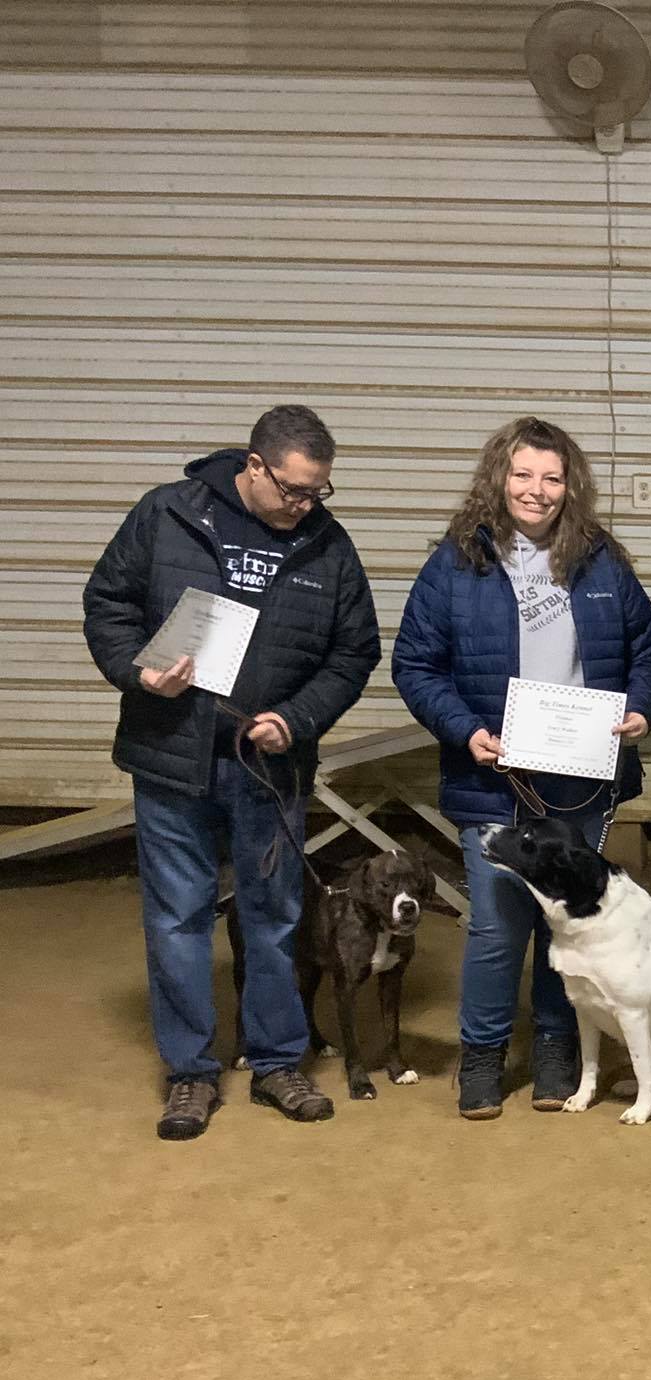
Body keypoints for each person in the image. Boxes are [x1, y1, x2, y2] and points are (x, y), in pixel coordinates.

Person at [83, 405, 381, 1140]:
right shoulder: (167, 515)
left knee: (274, 917)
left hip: (269, 768)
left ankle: (278, 1062)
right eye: (293, 489)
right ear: (254, 466)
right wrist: (138, 672)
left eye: (318, 491)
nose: (305, 504)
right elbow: (107, 604)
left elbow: (354, 651)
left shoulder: (327, 545)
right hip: (171, 756)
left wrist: (297, 719)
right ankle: (190, 1074)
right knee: (177, 919)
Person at [392, 417, 651, 1120]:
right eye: (523, 475)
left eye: (552, 477)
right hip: (493, 779)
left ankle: (554, 1047)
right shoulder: (455, 564)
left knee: (567, 924)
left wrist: (640, 709)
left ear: (570, 486)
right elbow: (415, 664)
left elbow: (646, 650)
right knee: (496, 927)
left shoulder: (601, 560)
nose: (536, 490)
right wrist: (465, 730)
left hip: (581, 781)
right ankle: (482, 1054)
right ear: (499, 478)